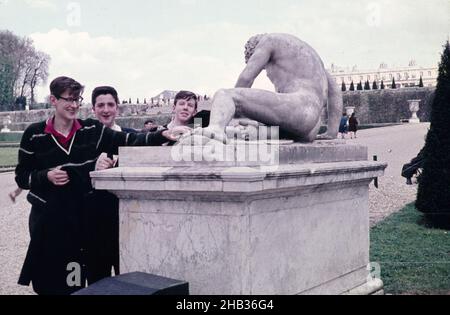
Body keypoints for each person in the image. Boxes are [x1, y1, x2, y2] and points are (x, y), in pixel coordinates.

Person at [15, 76, 190, 295]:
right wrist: (45, 176)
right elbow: (22, 176)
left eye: (77, 100)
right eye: (68, 99)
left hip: (78, 219)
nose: (73, 105)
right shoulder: (34, 133)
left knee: (74, 281)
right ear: (53, 100)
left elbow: (128, 139)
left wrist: (162, 134)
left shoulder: (92, 130)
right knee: (48, 281)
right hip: (48, 220)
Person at [191, 33, 342, 143]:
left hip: (298, 108)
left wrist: (234, 114)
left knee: (225, 95)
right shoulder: (314, 59)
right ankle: (250, 132)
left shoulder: (269, 41)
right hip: (311, 127)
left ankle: (215, 129)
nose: (266, 70)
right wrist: (332, 132)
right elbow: (335, 92)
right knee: (252, 129)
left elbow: (246, 77)